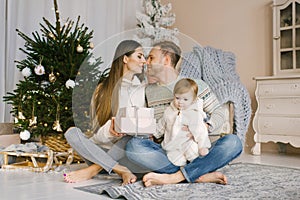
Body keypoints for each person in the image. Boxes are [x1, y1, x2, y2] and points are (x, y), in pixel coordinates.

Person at [125, 40, 243, 187]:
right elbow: (154, 128)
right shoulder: (148, 91)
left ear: (166, 59)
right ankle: (197, 174)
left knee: (233, 142)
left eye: (151, 58)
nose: (146, 62)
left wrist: (206, 127)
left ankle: (174, 177)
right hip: (169, 151)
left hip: (197, 151)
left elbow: (219, 112)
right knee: (133, 147)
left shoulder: (195, 85)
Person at [63, 40, 147, 185]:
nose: (144, 61)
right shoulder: (102, 90)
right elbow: (95, 136)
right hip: (99, 153)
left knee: (130, 137)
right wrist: (110, 130)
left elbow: (142, 133)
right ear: (125, 59)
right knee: (72, 132)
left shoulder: (142, 90)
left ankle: (94, 170)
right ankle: (119, 170)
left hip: (126, 155)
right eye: (139, 56)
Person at [155, 78, 211, 167]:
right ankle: (182, 170)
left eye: (185, 99)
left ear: (193, 100)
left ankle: (196, 166)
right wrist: (153, 133)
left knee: (194, 154)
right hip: (172, 145)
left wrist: (202, 146)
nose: (180, 102)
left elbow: (201, 131)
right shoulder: (169, 112)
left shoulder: (194, 113)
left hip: (189, 143)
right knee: (175, 161)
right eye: (177, 98)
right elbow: (162, 125)